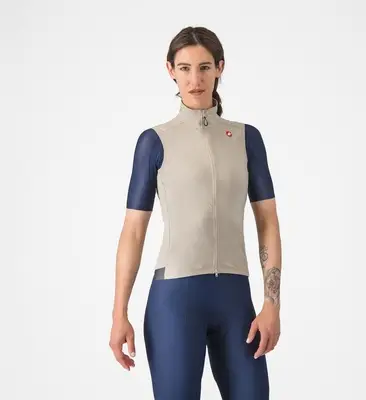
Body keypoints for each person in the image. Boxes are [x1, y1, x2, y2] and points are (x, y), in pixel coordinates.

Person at [109, 26, 282, 400]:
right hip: (174, 302)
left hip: (235, 302)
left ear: (220, 68)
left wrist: (272, 303)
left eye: (204, 67)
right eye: (185, 68)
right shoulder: (154, 141)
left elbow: (267, 222)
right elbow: (134, 230)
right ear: (170, 70)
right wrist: (119, 313)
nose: (195, 79)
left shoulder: (247, 139)